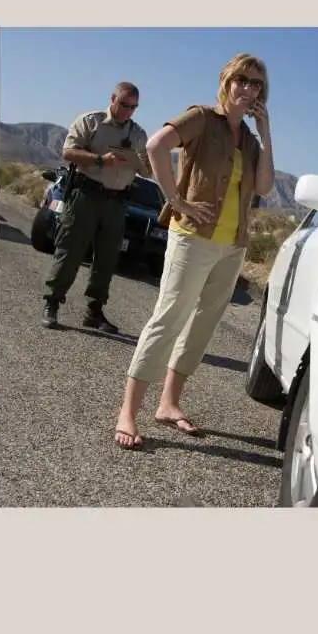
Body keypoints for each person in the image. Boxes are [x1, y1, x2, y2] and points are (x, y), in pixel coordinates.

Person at [113, 54, 276, 449]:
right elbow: (155, 146)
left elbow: (265, 187)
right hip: (192, 237)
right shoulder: (201, 118)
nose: (248, 89)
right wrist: (176, 200)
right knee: (169, 318)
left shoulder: (250, 142)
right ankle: (128, 412)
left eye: (257, 85)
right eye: (242, 80)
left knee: (202, 326)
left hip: (231, 245)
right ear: (226, 80)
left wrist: (266, 133)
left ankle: (169, 404)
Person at [41, 82, 151, 333]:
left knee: (107, 258)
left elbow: (147, 168)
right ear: (113, 98)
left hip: (117, 201)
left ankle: (94, 311)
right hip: (86, 195)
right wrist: (101, 160)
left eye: (133, 107)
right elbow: (68, 152)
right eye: (124, 105)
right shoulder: (91, 122)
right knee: (70, 250)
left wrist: (142, 165)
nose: (128, 112)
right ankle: (52, 302)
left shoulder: (138, 134)